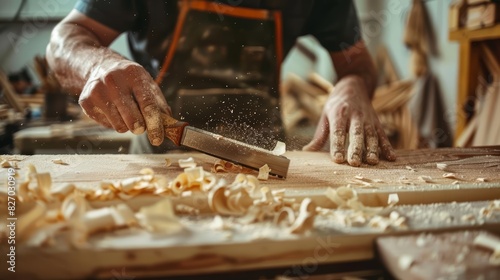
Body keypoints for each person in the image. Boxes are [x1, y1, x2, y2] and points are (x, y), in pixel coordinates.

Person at [46, 0, 396, 167]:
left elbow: (359, 67)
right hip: (161, 159)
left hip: (262, 162)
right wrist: (97, 64)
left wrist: (352, 85)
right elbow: (65, 39)